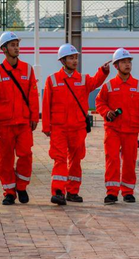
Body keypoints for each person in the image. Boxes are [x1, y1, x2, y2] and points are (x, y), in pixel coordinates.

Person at [42, 43, 110, 205]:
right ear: (62, 60)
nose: (74, 61)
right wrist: (46, 126)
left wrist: (103, 72)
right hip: (59, 128)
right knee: (59, 159)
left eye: (75, 57)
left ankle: (72, 192)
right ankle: (58, 191)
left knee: (76, 159)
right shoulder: (52, 80)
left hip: (78, 128)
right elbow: (45, 104)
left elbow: (95, 83)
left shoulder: (83, 79)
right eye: (71, 58)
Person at [0, 31, 39, 205]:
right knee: (5, 159)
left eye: (17, 44)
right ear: (4, 49)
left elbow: (33, 95)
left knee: (25, 155)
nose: (17, 48)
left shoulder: (28, 69)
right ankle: (9, 191)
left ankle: (21, 187)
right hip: (4, 124)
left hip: (23, 123)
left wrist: (34, 117)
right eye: (13, 45)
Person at [96, 48, 139, 204]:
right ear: (116, 65)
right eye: (123, 62)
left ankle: (128, 192)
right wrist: (107, 112)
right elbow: (99, 102)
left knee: (129, 161)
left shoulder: (138, 85)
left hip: (131, 130)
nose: (127, 64)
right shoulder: (108, 86)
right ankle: (112, 193)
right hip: (113, 130)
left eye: (129, 61)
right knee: (112, 160)